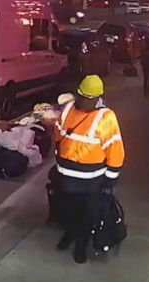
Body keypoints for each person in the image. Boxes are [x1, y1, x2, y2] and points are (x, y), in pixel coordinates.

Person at [52, 75, 126, 263]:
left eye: (87, 98)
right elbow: (59, 134)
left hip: (91, 181)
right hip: (67, 178)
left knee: (87, 215)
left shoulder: (106, 117)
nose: (82, 101)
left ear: (96, 98)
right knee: (68, 210)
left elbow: (116, 151)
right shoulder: (69, 108)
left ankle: (80, 247)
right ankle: (69, 234)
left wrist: (110, 181)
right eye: (80, 95)